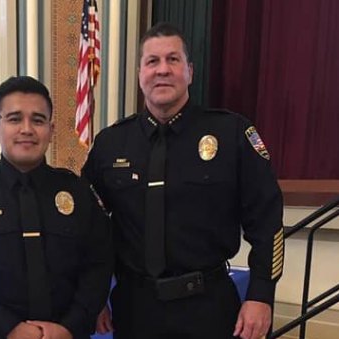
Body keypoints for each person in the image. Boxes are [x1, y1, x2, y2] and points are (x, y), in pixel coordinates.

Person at [82, 22, 284, 339]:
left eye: (173, 60)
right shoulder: (110, 144)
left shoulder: (231, 134)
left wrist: (260, 294)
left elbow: (267, 220)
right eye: (152, 61)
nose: (162, 70)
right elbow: (90, 227)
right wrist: (93, 298)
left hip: (208, 306)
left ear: (189, 71)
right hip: (136, 307)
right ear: (139, 74)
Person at [0, 76, 113, 339]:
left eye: (38, 120)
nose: (27, 129)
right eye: (15, 119)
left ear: (50, 130)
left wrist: (70, 327)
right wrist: (10, 329)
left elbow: (98, 265)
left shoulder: (77, 192)